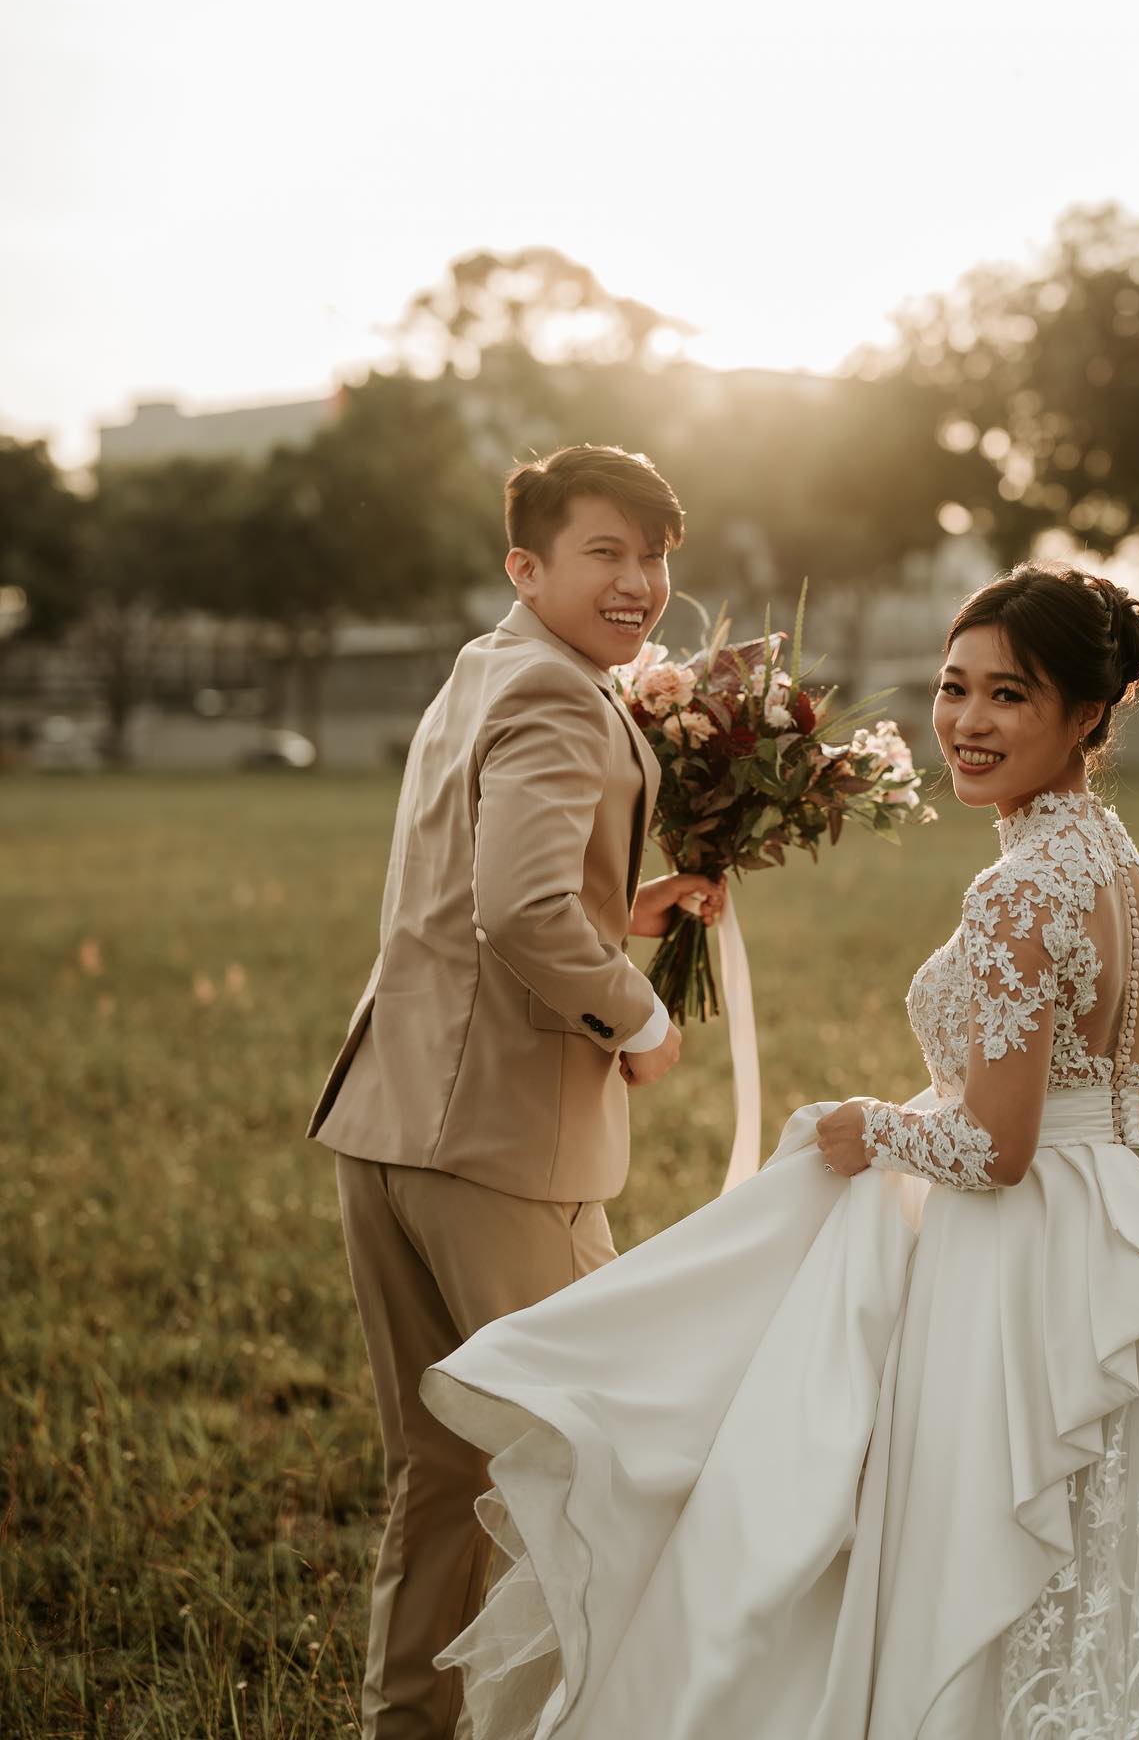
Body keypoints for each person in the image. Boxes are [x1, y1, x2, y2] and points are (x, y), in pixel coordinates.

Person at [420, 562, 1139, 1739]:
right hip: (1128, 1228)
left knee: (990, 1545)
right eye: (956, 689)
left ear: (1087, 716)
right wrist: (1075, 1095)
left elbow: (994, 1151)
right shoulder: (1129, 879)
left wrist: (863, 1126)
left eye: (1011, 695)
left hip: (1022, 1261)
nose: (970, 722)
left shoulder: (1017, 896)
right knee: (1119, 1560)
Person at [308, 443, 725, 1739]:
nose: (640, 582)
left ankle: (410, 1725)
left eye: (655, 556)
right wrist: (641, 1015)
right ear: (527, 566)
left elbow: (471, 882)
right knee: (601, 1458)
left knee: (441, 1473)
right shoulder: (557, 695)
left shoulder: (485, 670)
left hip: (390, 1129)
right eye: (606, 553)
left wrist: (637, 906)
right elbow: (522, 909)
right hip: (499, 1150)